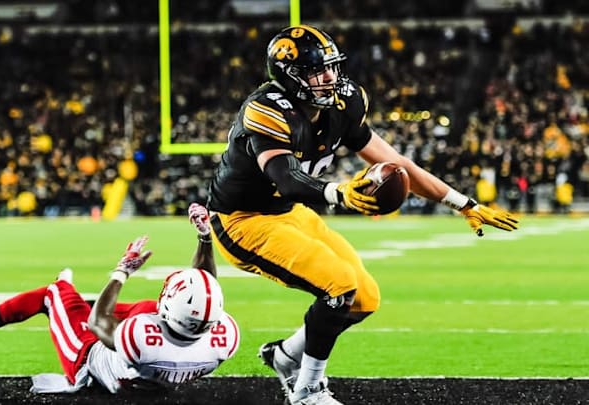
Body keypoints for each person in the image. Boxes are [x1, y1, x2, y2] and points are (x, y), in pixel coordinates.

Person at [205, 25, 519, 405]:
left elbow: (397, 164)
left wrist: (462, 203)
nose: (329, 78)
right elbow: (286, 178)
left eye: (331, 67)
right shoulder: (266, 109)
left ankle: (286, 356)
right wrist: (339, 193)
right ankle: (307, 390)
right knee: (339, 287)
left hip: (291, 212)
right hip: (243, 220)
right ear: (289, 76)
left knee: (364, 298)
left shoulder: (344, 103)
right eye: (316, 71)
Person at [0, 203, 239, 394]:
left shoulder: (140, 338)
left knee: (53, 294)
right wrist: (204, 237)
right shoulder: (222, 339)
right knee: (145, 307)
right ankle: (72, 302)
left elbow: (96, 323)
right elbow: (204, 283)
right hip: (157, 372)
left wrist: (123, 270)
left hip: (88, 362)